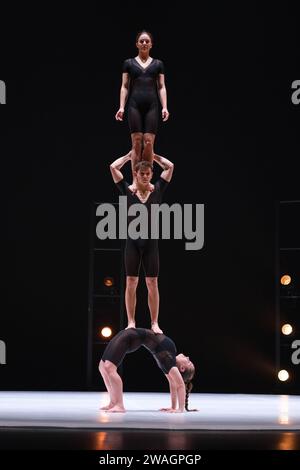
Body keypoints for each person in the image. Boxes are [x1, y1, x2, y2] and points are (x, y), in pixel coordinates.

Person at [110, 152, 174, 334]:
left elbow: (170, 166)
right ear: (136, 174)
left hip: (151, 244)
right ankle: (131, 321)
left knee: (152, 282)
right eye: (142, 174)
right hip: (132, 242)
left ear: (151, 174)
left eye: (148, 173)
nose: (145, 176)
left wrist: (153, 156)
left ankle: (155, 322)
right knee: (131, 281)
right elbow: (113, 167)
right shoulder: (127, 190)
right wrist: (128, 157)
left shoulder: (158, 190)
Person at [99, 328, 196, 413]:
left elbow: (180, 385)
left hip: (131, 337)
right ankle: (113, 403)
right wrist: (173, 407)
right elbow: (173, 384)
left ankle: (119, 405)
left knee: (108, 367)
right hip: (131, 335)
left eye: (188, 362)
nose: (187, 357)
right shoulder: (168, 363)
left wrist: (180, 409)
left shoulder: (169, 359)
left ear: (182, 368)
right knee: (102, 366)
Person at [115, 30, 169, 181]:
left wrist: (165, 107)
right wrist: (121, 107)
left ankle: (147, 180)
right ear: (137, 44)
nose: (144, 43)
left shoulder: (158, 64)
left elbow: (161, 87)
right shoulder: (128, 63)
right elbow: (124, 86)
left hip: (152, 105)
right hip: (134, 105)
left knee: (149, 142)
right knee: (137, 142)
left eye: (147, 41)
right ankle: (135, 181)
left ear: (151, 44)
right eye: (141, 41)